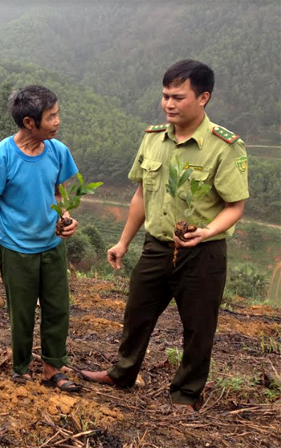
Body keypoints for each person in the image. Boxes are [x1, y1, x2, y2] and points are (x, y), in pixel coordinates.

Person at [81, 60, 249, 412]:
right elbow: (142, 195)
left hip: (203, 254)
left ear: (203, 97)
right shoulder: (154, 139)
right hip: (157, 247)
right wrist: (124, 241)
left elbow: (235, 206)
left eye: (178, 97)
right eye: (164, 96)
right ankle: (122, 373)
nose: (169, 104)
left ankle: (185, 395)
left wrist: (207, 232)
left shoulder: (224, 147)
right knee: (137, 312)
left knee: (198, 327)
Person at [0, 85, 82, 392]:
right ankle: (20, 369)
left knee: (57, 308)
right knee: (21, 312)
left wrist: (66, 218)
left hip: (51, 246)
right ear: (29, 123)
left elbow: (57, 193)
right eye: (51, 117)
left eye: (57, 113)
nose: (58, 121)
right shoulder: (2, 157)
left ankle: (52, 368)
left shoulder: (58, 152)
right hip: (16, 248)